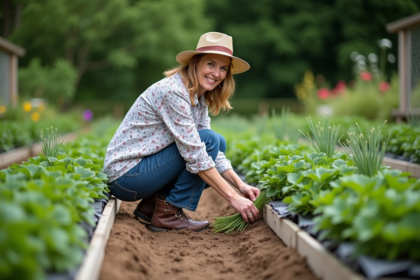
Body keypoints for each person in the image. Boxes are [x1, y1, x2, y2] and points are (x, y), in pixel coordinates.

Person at [103, 32, 260, 232]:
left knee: (217, 142)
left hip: (141, 172)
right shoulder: (174, 92)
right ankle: (167, 213)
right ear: (195, 63)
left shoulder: (198, 97)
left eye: (223, 68)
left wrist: (241, 185)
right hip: (126, 176)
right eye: (210, 64)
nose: (216, 73)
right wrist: (234, 198)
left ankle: (152, 205)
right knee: (210, 141)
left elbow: (212, 151)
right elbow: (196, 154)